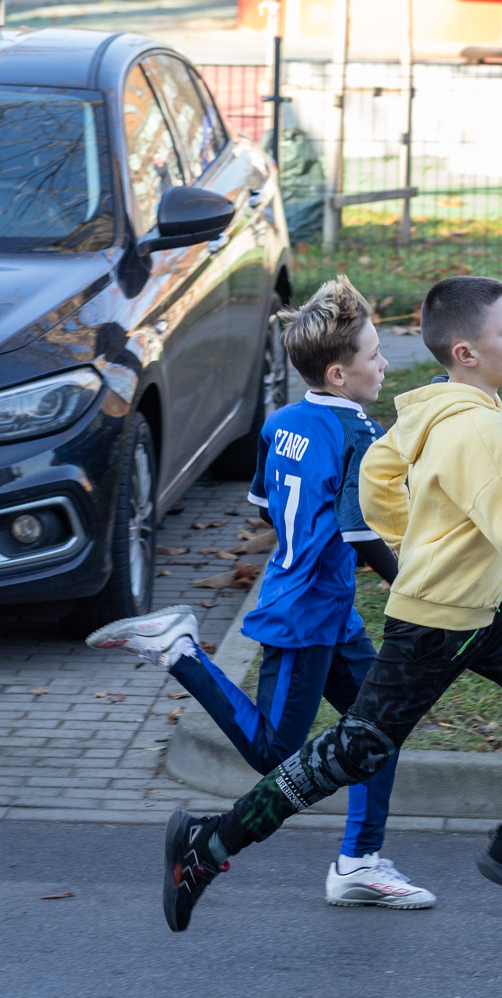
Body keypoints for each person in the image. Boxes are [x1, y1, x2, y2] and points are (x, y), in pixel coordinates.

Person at [157, 274, 502, 931]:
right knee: (350, 754)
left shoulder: (433, 404)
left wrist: (410, 541)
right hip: (436, 628)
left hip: (489, 612)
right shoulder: (479, 428)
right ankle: (209, 843)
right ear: (467, 353)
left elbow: (379, 475)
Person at [86, 275, 435, 910]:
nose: (384, 363)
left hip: (321, 603)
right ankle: (180, 652)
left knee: (379, 727)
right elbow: (360, 531)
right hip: (306, 614)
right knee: (276, 751)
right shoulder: (359, 434)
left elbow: (266, 506)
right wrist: (411, 583)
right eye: (375, 354)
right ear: (338, 373)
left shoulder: (281, 422)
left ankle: (359, 863)